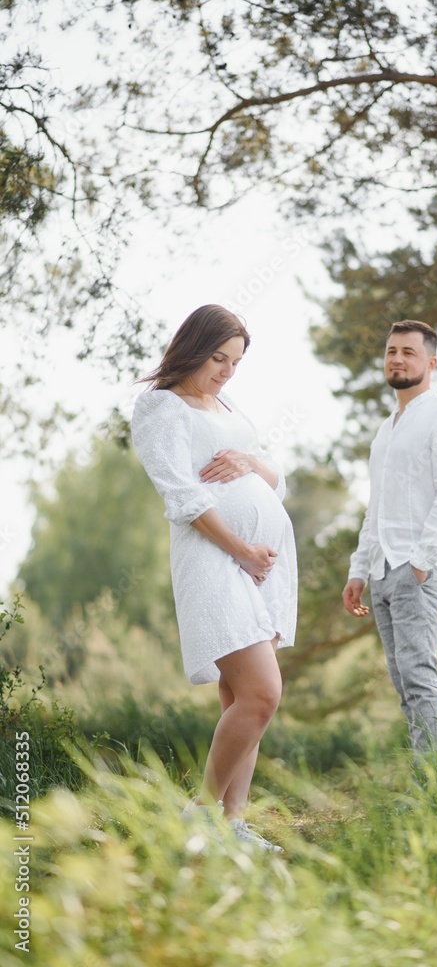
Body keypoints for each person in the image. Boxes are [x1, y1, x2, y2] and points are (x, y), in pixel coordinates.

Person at [131, 304, 297, 852]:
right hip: (217, 558)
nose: (226, 371)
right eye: (218, 357)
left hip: (261, 565)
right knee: (262, 694)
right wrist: (243, 551)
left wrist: (250, 463)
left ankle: (233, 826)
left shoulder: (225, 403)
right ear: (192, 347)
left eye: (236, 362)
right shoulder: (161, 407)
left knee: (241, 700)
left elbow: (274, 477)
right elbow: (183, 496)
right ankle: (200, 814)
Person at [342, 320, 437, 755]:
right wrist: (359, 569)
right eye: (391, 351)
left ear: (430, 363)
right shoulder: (386, 430)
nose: (397, 359)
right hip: (382, 570)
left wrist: (422, 560)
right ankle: (426, 784)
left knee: (419, 676)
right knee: (403, 682)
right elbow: (375, 506)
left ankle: (433, 789)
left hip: (418, 569)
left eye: (409, 352)